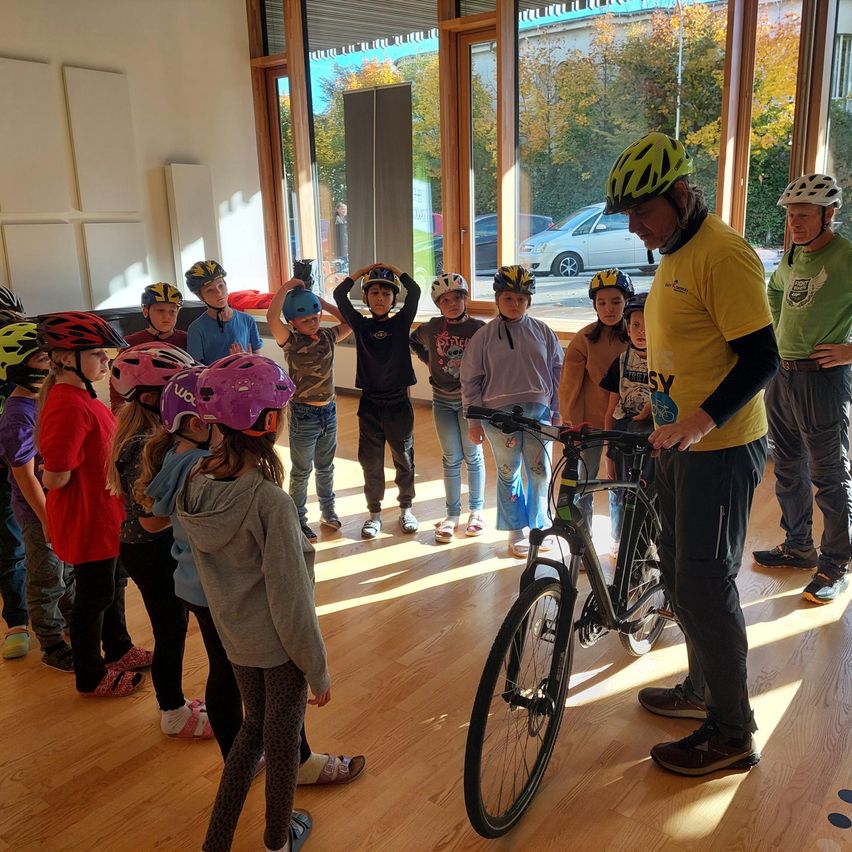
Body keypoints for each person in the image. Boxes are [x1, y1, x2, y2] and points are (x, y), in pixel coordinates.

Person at [604, 131, 779, 775]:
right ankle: (702, 688)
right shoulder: (673, 250)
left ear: (681, 194)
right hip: (678, 439)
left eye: (643, 211)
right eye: (627, 215)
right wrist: (658, 408)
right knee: (678, 575)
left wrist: (700, 422)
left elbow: (763, 358)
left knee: (704, 584)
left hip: (722, 445)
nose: (634, 226)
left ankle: (733, 731)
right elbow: (687, 348)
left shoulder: (724, 254)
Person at [140, 366, 365, 780]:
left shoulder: (189, 466)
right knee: (265, 692)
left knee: (226, 676)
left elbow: (154, 518)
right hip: (232, 596)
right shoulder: (258, 496)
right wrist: (316, 667)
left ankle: (249, 763)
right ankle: (292, 764)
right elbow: (288, 596)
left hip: (201, 589)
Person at [177, 353, 330, 852]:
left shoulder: (195, 483)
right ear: (269, 422)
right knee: (282, 744)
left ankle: (216, 842)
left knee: (251, 734)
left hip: (236, 640)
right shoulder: (270, 503)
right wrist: (317, 669)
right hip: (280, 649)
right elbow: (291, 600)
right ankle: (277, 841)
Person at [37, 311, 150, 697]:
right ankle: (89, 674)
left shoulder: (86, 397)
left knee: (113, 585)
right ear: (68, 358)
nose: (107, 361)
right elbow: (55, 474)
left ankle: (118, 647)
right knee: (93, 597)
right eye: (99, 355)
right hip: (89, 519)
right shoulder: (67, 405)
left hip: (107, 515)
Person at [752, 174, 851, 604]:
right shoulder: (792, 257)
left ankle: (836, 566)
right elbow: (774, 293)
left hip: (822, 379)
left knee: (830, 476)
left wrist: (851, 350)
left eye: (805, 215)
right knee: (788, 465)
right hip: (783, 374)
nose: (795, 222)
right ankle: (798, 546)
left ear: (829, 215)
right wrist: (775, 335)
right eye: (791, 215)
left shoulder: (847, 257)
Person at [108, 342, 212, 737]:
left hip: (151, 550)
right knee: (169, 631)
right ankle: (172, 712)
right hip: (150, 552)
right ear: (152, 398)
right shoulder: (142, 446)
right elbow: (152, 522)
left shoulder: (151, 435)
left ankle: (175, 703)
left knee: (173, 627)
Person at [460, 265, 563, 558]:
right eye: (508, 298)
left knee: (540, 472)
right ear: (497, 299)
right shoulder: (484, 336)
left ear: (528, 300)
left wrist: (558, 410)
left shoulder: (543, 331)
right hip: (497, 417)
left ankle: (539, 526)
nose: (515, 304)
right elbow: (470, 380)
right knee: (509, 472)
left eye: (520, 299)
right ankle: (515, 529)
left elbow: (558, 372)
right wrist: (474, 421)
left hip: (539, 413)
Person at [0, 322, 75, 671]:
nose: (51, 364)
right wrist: (47, 520)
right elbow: (24, 476)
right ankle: (51, 643)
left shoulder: (45, 399)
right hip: (39, 512)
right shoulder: (17, 416)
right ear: (17, 365)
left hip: (60, 505)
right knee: (47, 578)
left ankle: (75, 624)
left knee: (69, 571)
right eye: (43, 358)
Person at [334, 263, 421, 539]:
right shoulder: (360, 325)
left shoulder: (401, 322)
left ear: (395, 299)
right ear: (367, 298)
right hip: (370, 405)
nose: (380, 298)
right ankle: (374, 514)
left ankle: (406, 509)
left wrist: (395, 270)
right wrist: (363, 271)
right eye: (374, 293)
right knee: (370, 461)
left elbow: (415, 291)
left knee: (403, 458)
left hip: (399, 405)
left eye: (386, 293)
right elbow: (339, 295)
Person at [266, 277, 352, 541]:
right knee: (302, 470)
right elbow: (271, 317)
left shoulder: (327, 336)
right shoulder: (289, 340)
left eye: (315, 317)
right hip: (304, 414)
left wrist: (325, 304)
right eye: (306, 320)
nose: (313, 322)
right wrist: (286, 287)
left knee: (326, 467)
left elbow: (350, 322)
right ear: (292, 321)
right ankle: (299, 519)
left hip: (329, 412)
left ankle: (328, 511)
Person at [559, 268, 632, 550]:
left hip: (623, 424)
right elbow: (569, 386)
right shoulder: (584, 339)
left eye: (615, 301)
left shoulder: (638, 336)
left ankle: (620, 539)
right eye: (602, 303)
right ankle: (583, 538)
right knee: (583, 482)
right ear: (594, 305)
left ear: (627, 301)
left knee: (619, 482)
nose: (609, 308)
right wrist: (571, 422)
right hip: (588, 423)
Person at [410, 273, 486, 544]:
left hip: (470, 402)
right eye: (445, 300)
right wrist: (428, 361)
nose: (452, 303)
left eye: (457, 298)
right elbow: (413, 341)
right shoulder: (431, 327)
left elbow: (490, 358)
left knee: (472, 455)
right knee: (451, 457)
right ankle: (452, 514)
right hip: (441, 399)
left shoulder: (478, 328)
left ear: (465, 299)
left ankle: (476, 511)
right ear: (438, 304)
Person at [599, 292, 653, 544]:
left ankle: (646, 543)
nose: (641, 331)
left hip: (652, 441)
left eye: (649, 325)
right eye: (635, 325)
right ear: (627, 329)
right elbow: (610, 410)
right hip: (623, 437)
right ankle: (621, 540)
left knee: (648, 494)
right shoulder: (620, 362)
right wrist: (607, 452)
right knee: (621, 491)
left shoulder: (667, 363)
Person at [0, 289, 29, 661]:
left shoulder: (26, 360)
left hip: (29, 459)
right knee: (9, 544)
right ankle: (17, 620)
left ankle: (56, 612)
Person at [109, 282, 188, 411]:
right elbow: (116, 380)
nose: (167, 317)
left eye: (172, 311)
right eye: (160, 310)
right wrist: (118, 412)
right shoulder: (132, 342)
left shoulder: (186, 339)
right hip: (143, 411)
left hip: (178, 408)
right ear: (146, 311)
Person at [186, 261, 262, 364]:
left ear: (226, 285)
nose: (218, 292)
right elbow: (196, 370)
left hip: (245, 377)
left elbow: (259, 361)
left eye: (220, 286)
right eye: (210, 290)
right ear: (200, 296)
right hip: (213, 379)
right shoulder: (196, 329)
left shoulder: (248, 320)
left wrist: (246, 360)